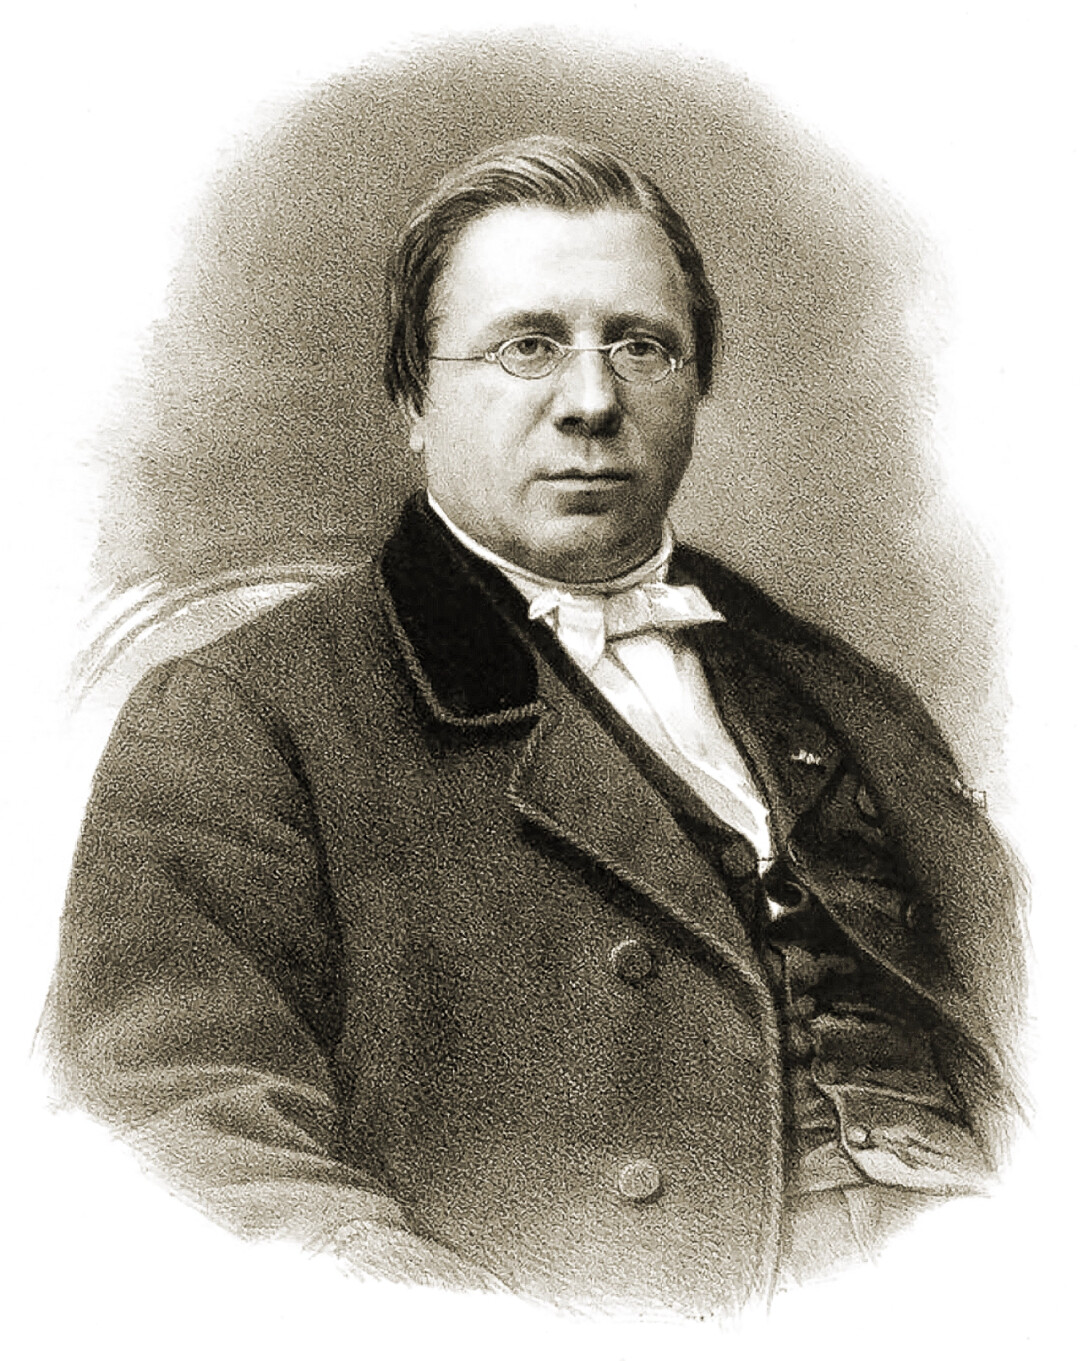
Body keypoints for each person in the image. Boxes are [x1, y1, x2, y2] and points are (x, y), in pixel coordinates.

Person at [44, 136, 1024, 1315]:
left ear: (695, 382)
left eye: (641, 346)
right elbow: (185, 1137)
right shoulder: (241, 717)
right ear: (415, 398)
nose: (595, 401)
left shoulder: (847, 695)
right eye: (528, 346)